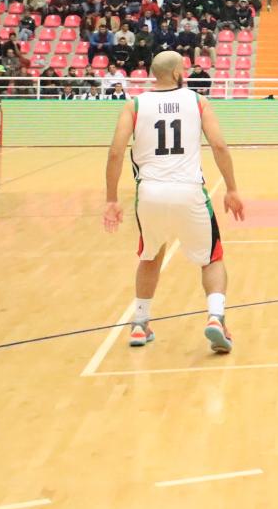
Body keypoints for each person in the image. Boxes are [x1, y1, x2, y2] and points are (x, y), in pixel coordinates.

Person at [102, 51, 249, 352]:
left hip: (150, 194)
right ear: (179, 72)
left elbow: (116, 152)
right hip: (189, 190)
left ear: (153, 74)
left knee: (150, 255)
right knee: (211, 258)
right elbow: (219, 145)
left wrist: (111, 199)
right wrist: (232, 189)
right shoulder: (197, 101)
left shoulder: (135, 104)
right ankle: (216, 318)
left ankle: (140, 324)